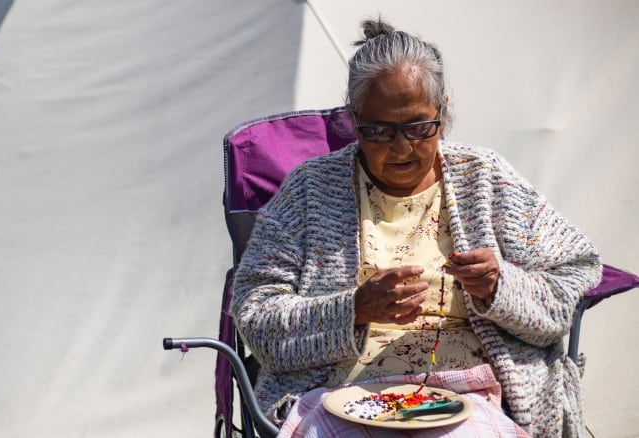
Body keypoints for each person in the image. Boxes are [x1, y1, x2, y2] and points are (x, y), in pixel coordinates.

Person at [229, 15, 601, 438]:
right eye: (380, 131)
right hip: (340, 393)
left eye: (419, 128)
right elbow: (256, 317)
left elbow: (571, 279)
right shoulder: (310, 191)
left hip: (468, 395)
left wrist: (501, 286)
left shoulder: (486, 180)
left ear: (443, 111)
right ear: (354, 121)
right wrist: (354, 310)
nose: (402, 147)